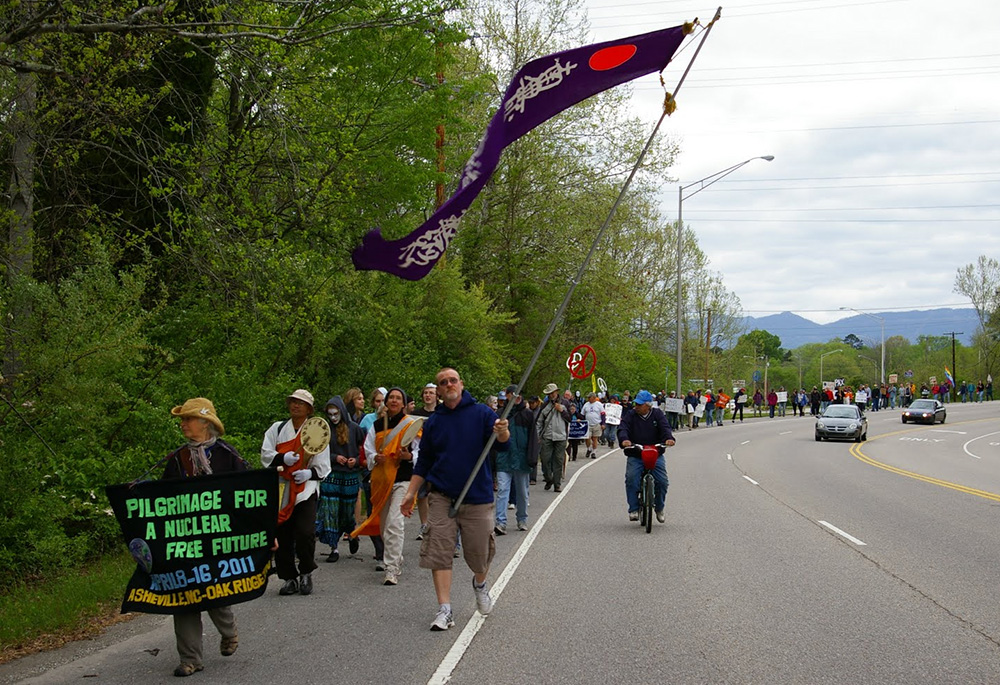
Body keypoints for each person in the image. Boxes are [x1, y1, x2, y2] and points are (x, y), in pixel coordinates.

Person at [401, 367, 510, 631]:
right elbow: (424, 461)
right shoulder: (435, 422)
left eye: (452, 380)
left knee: (480, 553)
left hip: (477, 496)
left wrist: (503, 430)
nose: (448, 384)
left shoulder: (482, 414)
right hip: (441, 496)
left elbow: (503, 443)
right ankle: (445, 609)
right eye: (443, 382)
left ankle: (480, 584)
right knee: (438, 551)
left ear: (461, 384)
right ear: (438, 391)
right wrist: (410, 493)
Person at [164, 398, 245, 677]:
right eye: (182, 420)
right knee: (184, 594)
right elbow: (161, 499)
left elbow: (249, 496)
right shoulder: (176, 459)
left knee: (214, 588)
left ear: (205, 424)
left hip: (219, 537)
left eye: (188, 419)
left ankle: (228, 630)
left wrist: (263, 533)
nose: (183, 424)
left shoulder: (227, 455)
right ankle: (190, 658)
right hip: (185, 539)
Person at [261, 389, 332, 596]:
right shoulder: (277, 428)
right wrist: (282, 458)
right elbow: (266, 454)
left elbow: (323, 465)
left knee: (305, 532)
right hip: (282, 487)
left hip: (305, 490)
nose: (295, 406)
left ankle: (306, 571)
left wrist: (308, 473)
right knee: (282, 533)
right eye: (293, 402)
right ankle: (288, 577)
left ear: (308, 408)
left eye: (300, 403)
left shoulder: (316, 430)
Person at [353, 387, 418, 586]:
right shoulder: (377, 425)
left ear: (404, 403)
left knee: (394, 522)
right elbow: (368, 449)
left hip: (403, 478)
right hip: (381, 480)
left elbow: (420, 451)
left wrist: (408, 456)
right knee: (383, 526)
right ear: (386, 402)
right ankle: (395, 556)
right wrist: (375, 457)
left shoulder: (412, 425)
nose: (394, 401)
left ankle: (391, 568)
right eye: (391, 398)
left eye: (399, 398)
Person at [316, 396, 364, 563]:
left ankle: (352, 533)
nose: (333, 418)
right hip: (331, 475)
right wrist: (335, 457)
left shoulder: (356, 429)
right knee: (331, 511)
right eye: (330, 415)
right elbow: (317, 451)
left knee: (346, 511)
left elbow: (364, 452)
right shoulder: (325, 430)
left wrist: (356, 461)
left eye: (336, 414)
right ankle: (333, 547)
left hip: (350, 476)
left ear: (342, 412)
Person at [617, 390, 675, 523]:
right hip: (636, 453)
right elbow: (623, 428)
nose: (636, 406)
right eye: (636, 403)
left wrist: (668, 438)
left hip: (655, 453)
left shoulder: (657, 414)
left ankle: (659, 508)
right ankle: (634, 509)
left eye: (640, 404)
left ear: (648, 405)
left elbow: (665, 428)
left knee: (662, 482)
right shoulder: (631, 415)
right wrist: (624, 440)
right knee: (631, 478)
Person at [494, 385, 535, 534]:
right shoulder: (500, 414)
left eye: (518, 394)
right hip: (504, 458)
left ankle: (522, 519)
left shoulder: (528, 414)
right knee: (503, 490)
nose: (516, 397)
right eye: (512, 394)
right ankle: (500, 522)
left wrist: (532, 458)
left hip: (522, 459)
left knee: (522, 492)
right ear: (507, 396)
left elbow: (532, 438)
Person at [411, 382, 438, 540]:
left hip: (438, 458)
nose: (428, 395)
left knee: (437, 495)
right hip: (420, 457)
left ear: (437, 396)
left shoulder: (441, 413)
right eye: (425, 393)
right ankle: (424, 525)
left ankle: (436, 524)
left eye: (431, 393)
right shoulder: (415, 414)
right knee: (422, 495)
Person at [536, 383, 569, 492]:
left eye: (552, 393)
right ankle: (549, 479)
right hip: (547, 436)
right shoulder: (545, 405)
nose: (551, 395)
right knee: (545, 460)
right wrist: (538, 435)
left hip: (561, 436)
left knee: (558, 461)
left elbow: (570, 419)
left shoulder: (565, 403)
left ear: (556, 392)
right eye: (549, 393)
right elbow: (539, 421)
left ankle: (557, 484)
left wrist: (562, 411)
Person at [582, 392, 604, 459]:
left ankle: (594, 452)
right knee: (587, 437)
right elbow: (582, 414)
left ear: (594, 398)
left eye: (589, 397)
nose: (588, 399)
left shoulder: (599, 404)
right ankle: (589, 448)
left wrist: (603, 423)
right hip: (588, 424)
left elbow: (603, 414)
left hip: (596, 423)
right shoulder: (586, 405)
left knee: (595, 438)